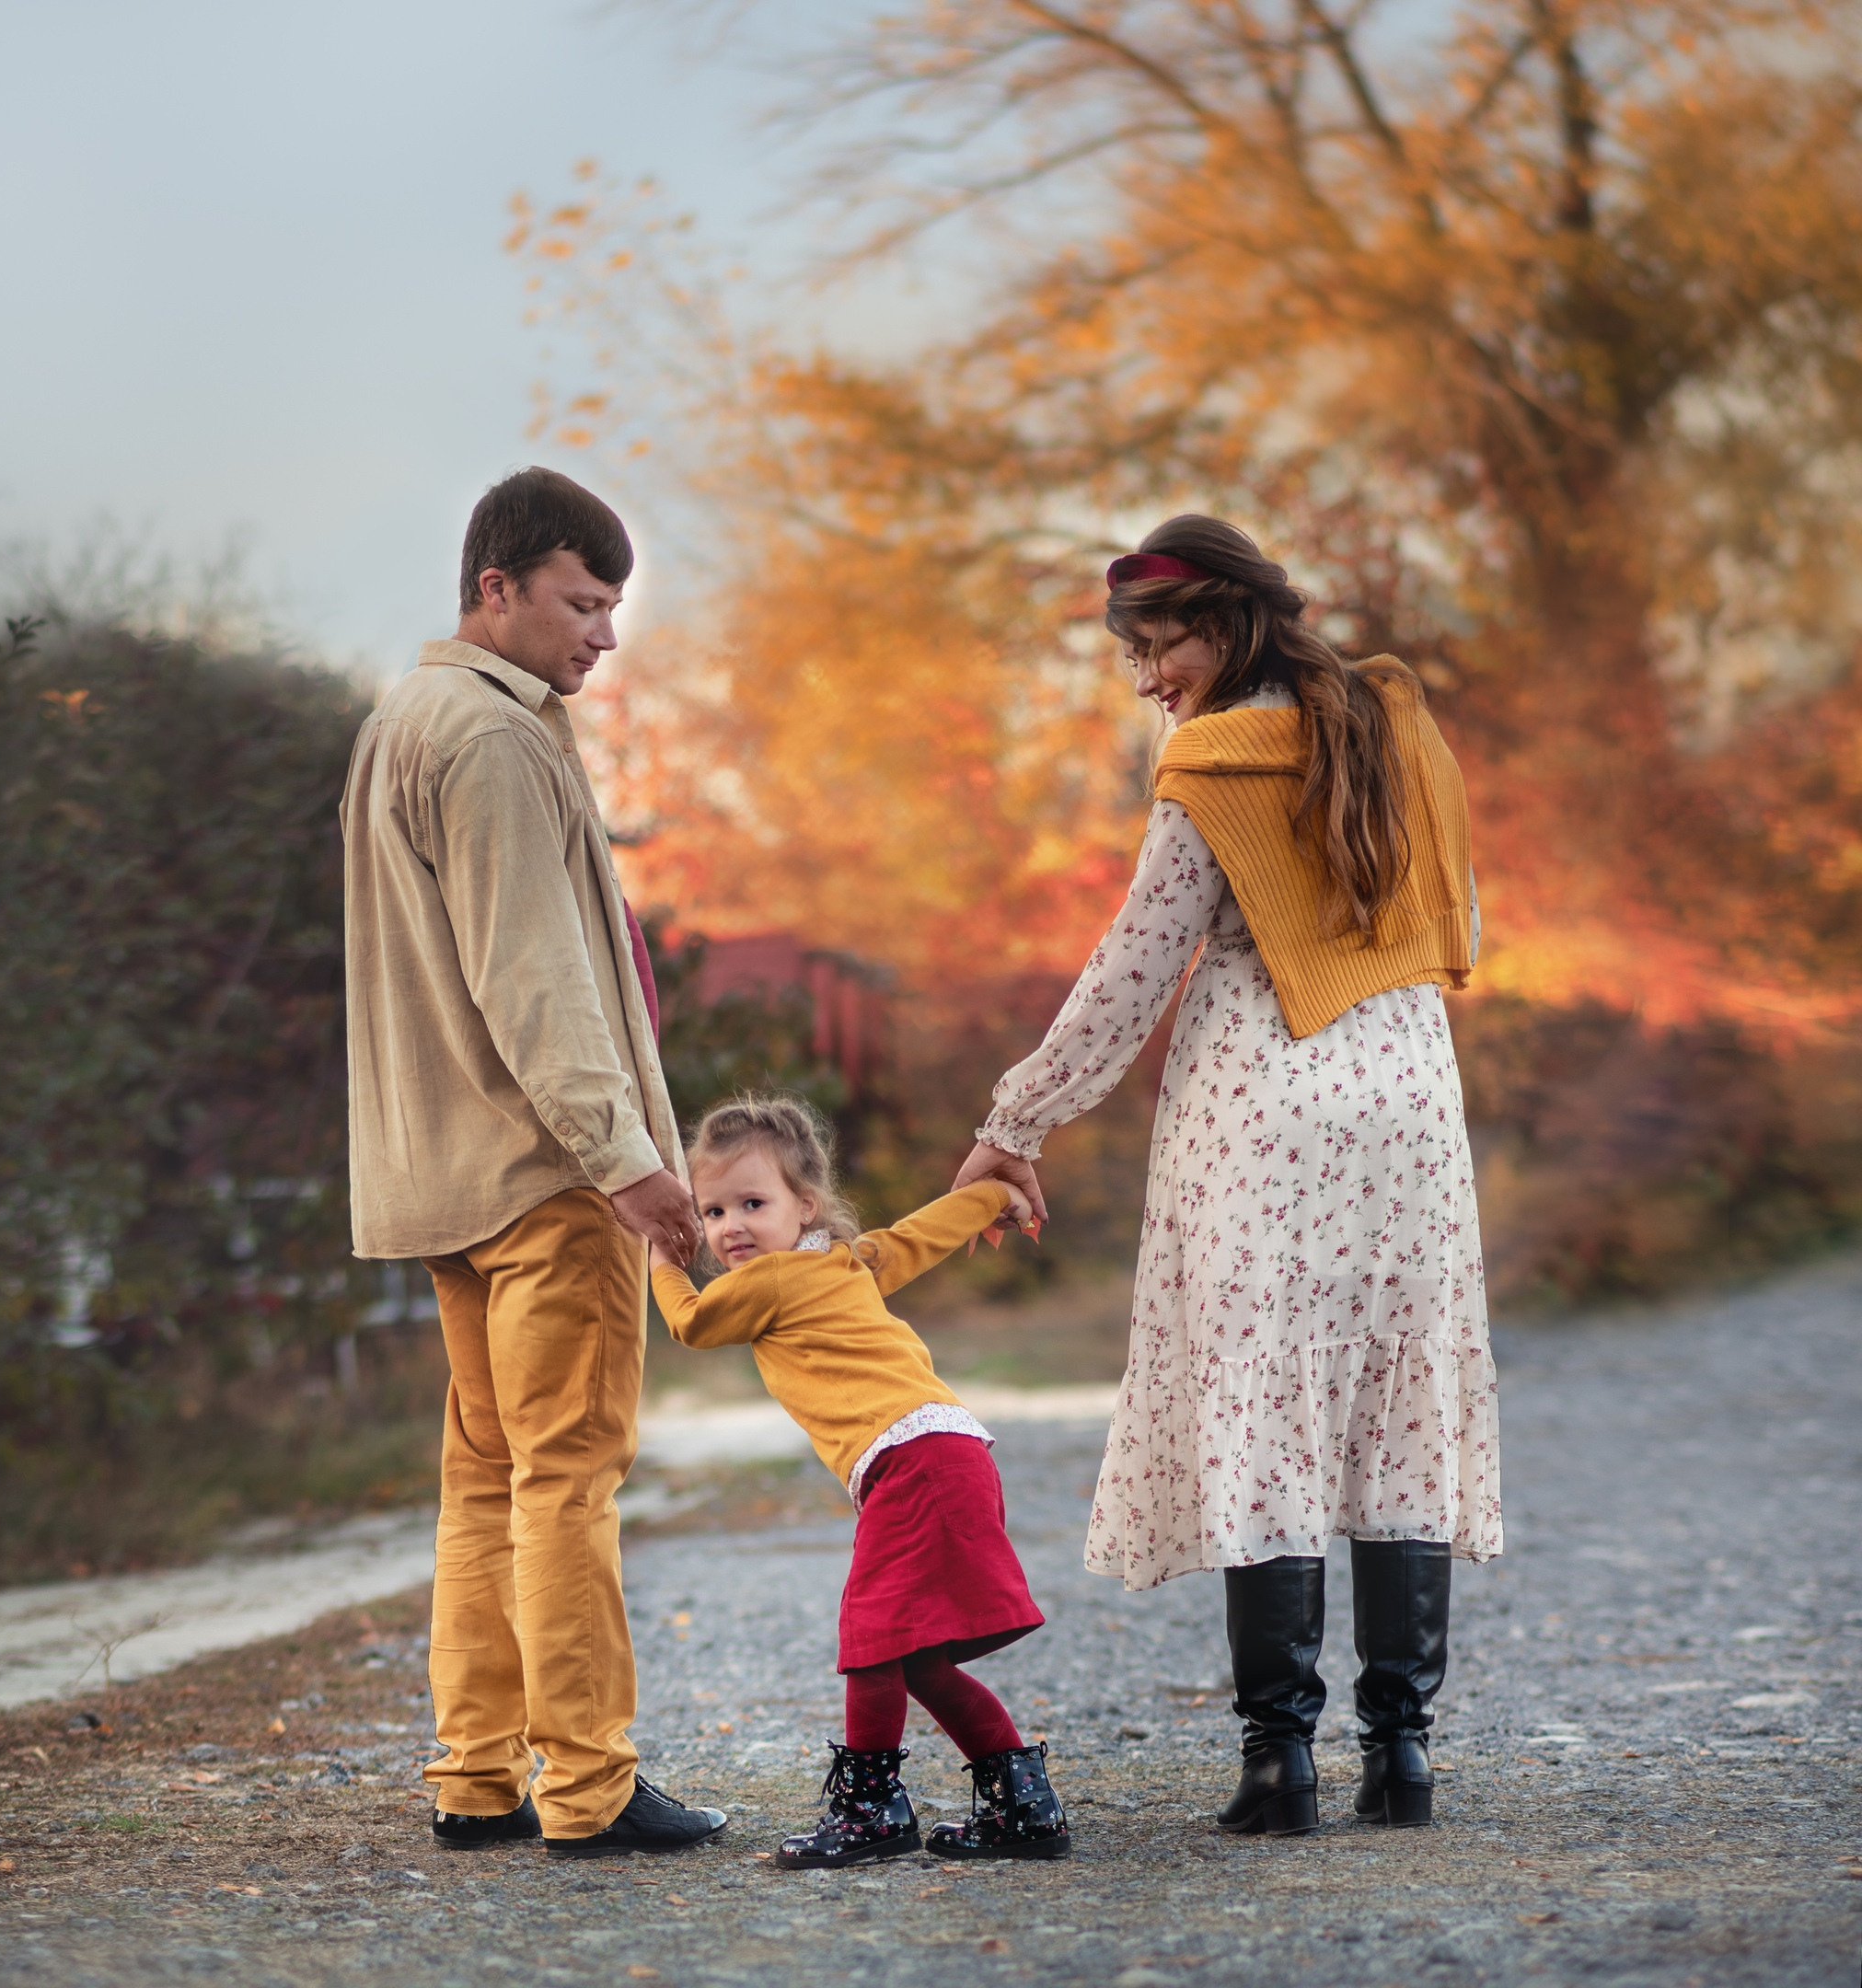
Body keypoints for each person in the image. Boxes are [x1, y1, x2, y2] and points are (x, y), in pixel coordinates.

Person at [955, 516, 1502, 1836]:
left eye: (1166, 644)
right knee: (1396, 1405)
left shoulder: (1215, 764)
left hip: (1266, 1108)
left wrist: (1016, 1117)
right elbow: (1459, 920)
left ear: (1236, 622)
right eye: (1138, 653)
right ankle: (1403, 1757)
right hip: (1408, 1102)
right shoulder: (1394, 724)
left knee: (1268, 1417)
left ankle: (1280, 1765)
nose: (1153, 677)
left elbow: (1134, 971)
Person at [340, 467, 724, 1857]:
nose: (604, 635)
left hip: (447, 1174)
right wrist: (624, 1160)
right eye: (582, 601)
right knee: (566, 1476)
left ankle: (477, 1775)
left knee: (488, 1481)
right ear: (495, 586)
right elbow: (537, 979)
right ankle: (591, 1787)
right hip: (542, 1175)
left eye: (614, 606)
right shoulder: (498, 740)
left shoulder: (406, 718)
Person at [648, 1095, 1071, 1867]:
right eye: (711, 1211)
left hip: (912, 1461)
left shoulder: (767, 1281)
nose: (731, 1226)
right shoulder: (851, 1262)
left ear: (803, 1206)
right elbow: (927, 1232)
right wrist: (995, 1196)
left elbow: (690, 1324)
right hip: (950, 1452)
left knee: (872, 1638)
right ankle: (1021, 1806)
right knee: (915, 1657)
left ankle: (873, 1812)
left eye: (752, 1202)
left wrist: (665, 1260)